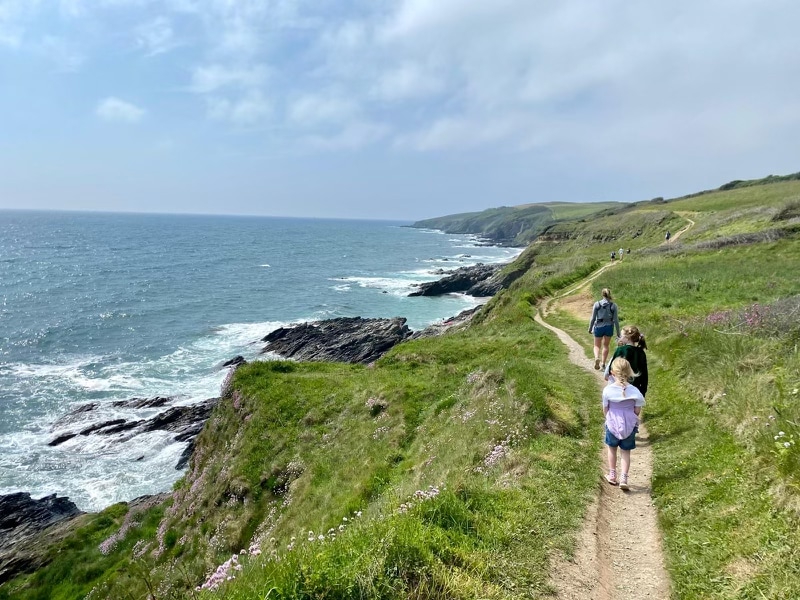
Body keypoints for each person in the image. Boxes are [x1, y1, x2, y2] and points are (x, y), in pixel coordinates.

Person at [602, 357, 645, 490]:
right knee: (626, 452)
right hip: (629, 425)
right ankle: (624, 478)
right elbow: (637, 410)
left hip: (612, 423)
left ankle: (612, 474)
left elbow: (605, 409)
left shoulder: (608, 391)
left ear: (612, 373)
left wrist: (610, 418)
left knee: (612, 449)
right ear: (629, 372)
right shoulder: (635, 391)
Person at [605, 325, 648, 397]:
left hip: (620, 385)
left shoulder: (621, 350)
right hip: (635, 388)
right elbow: (644, 373)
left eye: (621, 336)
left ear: (627, 338)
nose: (620, 338)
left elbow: (612, 367)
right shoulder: (641, 352)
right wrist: (643, 390)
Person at [588, 288, 620, 371]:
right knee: (606, 345)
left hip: (598, 326)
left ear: (602, 294)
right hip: (609, 327)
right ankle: (603, 364)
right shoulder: (613, 305)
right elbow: (616, 320)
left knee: (596, 345)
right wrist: (618, 333)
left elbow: (593, 318)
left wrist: (590, 328)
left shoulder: (597, 304)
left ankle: (596, 357)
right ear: (610, 294)